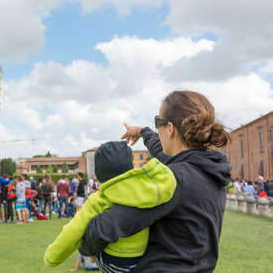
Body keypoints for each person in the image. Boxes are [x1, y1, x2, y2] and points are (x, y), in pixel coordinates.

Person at [79, 90, 231, 272]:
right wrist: (143, 132)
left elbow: (107, 226)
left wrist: (85, 246)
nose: (157, 128)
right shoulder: (209, 168)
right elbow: (166, 151)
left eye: (158, 122)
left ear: (170, 128)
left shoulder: (173, 179)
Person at [45, 141, 176, 271]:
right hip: (143, 255)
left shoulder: (100, 198)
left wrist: (51, 257)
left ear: (100, 172)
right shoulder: (150, 189)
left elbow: (73, 230)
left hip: (114, 259)